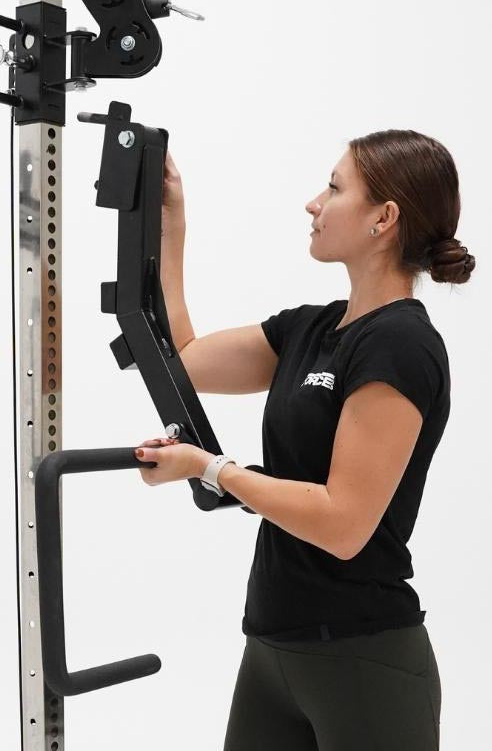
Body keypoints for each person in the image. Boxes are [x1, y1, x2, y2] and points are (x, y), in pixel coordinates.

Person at [134, 130, 474, 750]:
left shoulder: (400, 344)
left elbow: (344, 525)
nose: (314, 203)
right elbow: (180, 360)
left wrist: (211, 469)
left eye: (335, 188)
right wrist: (171, 221)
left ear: (383, 219)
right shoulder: (308, 330)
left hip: (364, 658)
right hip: (271, 649)